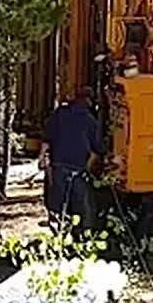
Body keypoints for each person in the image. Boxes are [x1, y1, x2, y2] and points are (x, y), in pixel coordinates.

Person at [40, 86, 105, 233]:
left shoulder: (60, 114)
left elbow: (47, 138)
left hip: (59, 166)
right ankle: (80, 235)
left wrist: (41, 159)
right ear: (89, 101)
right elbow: (97, 148)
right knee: (80, 205)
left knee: (57, 203)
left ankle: (59, 232)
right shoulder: (90, 120)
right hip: (78, 169)